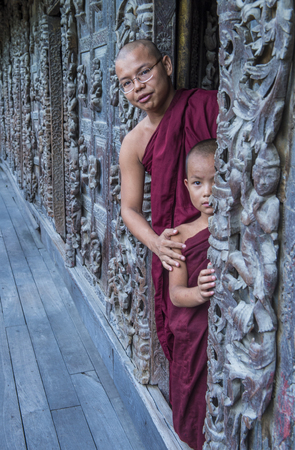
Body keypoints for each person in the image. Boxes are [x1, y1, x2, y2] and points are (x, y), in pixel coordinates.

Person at [116, 37, 218, 402]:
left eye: (144, 71)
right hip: (177, 253)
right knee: (188, 346)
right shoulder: (134, 142)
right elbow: (129, 208)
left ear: (167, 66)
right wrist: (157, 243)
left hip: (221, 243)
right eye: (127, 82)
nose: (137, 86)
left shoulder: (208, 106)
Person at [168, 140, 216, 449]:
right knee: (194, 386)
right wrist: (199, 293)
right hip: (194, 328)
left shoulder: (241, 226)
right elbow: (175, 294)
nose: (207, 191)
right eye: (198, 183)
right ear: (187, 186)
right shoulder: (182, 235)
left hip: (224, 331)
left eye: (216, 181)